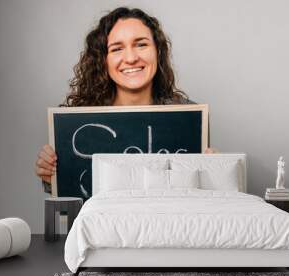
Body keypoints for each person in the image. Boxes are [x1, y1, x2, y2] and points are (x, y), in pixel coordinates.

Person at [35, 7, 216, 191]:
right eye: (117, 49)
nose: (130, 58)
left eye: (141, 44)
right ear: (103, 60)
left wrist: (215, 175)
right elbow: (72, 196)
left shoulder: (188, 117)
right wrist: (52, 174)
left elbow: (199, 202)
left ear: (158, 52)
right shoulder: (78, 124)